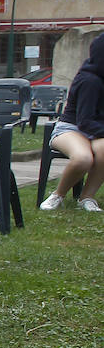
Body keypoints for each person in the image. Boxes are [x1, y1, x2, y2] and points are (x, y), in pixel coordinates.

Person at [40, 31, 104, 213]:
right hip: (72, 128)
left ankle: (87, 197)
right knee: (83, 158)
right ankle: (57, 195)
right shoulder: (89, 81)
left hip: (97, 131)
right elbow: (85, 122)